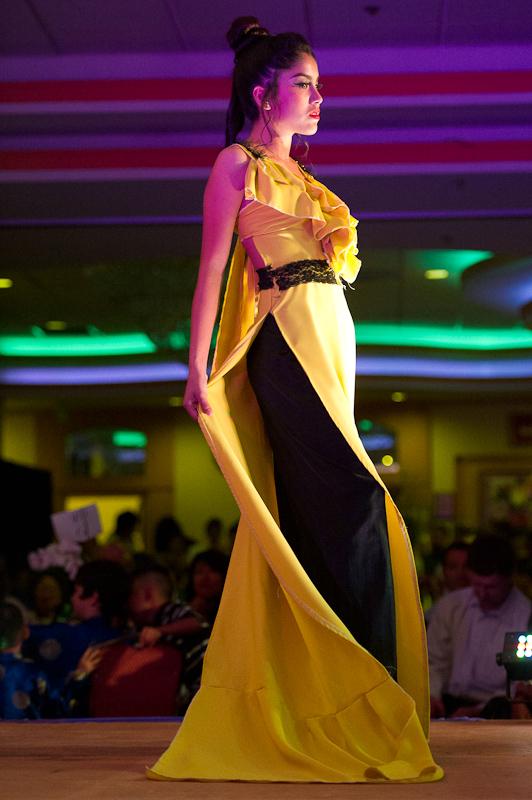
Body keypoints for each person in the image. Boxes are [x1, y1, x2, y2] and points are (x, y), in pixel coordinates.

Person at [149, 17, 442, 784]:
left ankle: (339, 703)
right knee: (355, 504)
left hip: (329, 343)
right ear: (261, 91)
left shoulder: (305, 180)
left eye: (318, 86)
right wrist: (196, 368)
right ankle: (367, 694)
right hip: (285, 340)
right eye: (303, 84)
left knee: (323, 515)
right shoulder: (236, 164)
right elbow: (212, 270)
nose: (317, 99)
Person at [428, 535, 532, 719]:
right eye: (476, 585)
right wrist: (432, 696)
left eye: (492, 587)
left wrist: (479, 710)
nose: (482, 594)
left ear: (511, 577)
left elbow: (521, 683)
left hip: (498, 709)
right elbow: (434, 660)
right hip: (446, 703)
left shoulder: (526, 617)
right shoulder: (451, 606)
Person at [23, 560, 130, 698]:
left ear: (93, 597)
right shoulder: (127, 642)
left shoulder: (68, 635)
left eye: (76, 591)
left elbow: (19, 635)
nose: (72, 598)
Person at [129, 564, 212, 712]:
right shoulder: (149, 622)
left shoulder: (172, 610)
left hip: (207, 694)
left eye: (132, 595)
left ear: (147, 594)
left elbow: (197, 622)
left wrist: (160, 631)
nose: (128, 603)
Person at [0, 601, 101, 719]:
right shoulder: (32, 675)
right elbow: (57, 709)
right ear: (25, 632)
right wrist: (79, 675)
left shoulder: (31, 673)